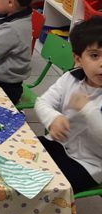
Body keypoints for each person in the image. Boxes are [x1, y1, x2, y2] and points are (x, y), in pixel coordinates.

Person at [36, 18, 102, 193]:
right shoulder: (71, 78)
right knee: (18, 156)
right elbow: (42, 102)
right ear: (78, 59)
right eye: (94, 55)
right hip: (57, 144)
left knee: (42, 188)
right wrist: (53, 118)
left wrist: (88, 109)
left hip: (90, 164)